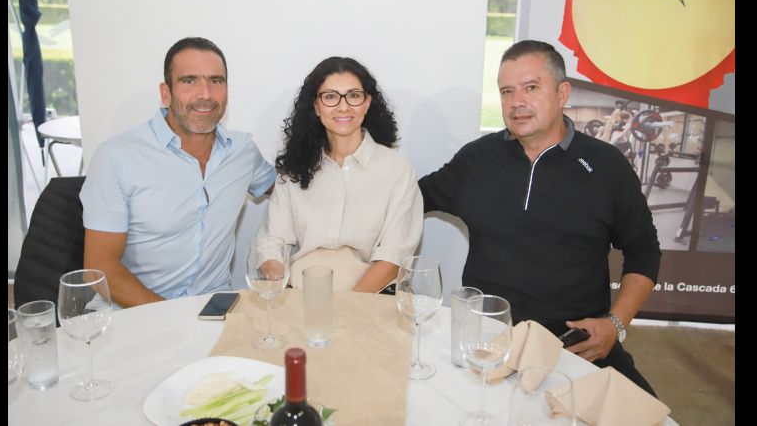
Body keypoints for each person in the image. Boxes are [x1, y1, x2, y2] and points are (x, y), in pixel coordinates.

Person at [418, 40, 660, 395]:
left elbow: (644, 251)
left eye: (531, 87)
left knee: (646, 415)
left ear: (562, 93)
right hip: (488, 338)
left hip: (575, 344)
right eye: (507, 91)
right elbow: (410, 201)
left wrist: (615, 325)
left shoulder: (607, 166)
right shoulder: (477, 159)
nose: (517, 101)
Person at [80, 37, 276, 308]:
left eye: (216, 81)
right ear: (166, 93)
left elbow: (290, 188)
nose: (205, 94)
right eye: (189, 81)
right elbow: (99, 269)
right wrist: (171, 318)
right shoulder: (117, 157)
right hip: (134, 313)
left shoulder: (242, 152)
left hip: (215, 307)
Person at [258, 56, 423, 293]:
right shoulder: (294, 170)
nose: (343, 106)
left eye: (353, 95)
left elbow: (394, 258)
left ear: (367, 103)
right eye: (330, 96)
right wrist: (281, 287)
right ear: (316, 106)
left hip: (370, 299)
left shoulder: (397, 169)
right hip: (300, 294)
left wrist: (346, 305)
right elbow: (272, 243)